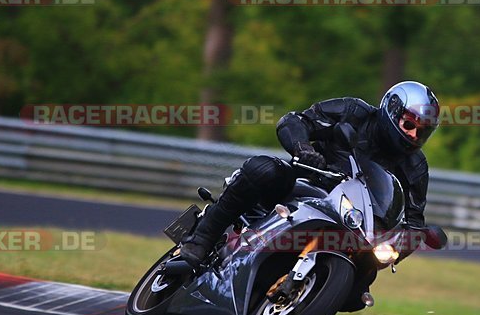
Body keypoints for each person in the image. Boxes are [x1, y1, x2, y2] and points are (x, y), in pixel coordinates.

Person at [180, 80, 441, 267]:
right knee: (264, 169)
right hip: (307, 186)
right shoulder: (354, 112)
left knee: (361, 285)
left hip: (355, 225)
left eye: (423, 130)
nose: (413, 135)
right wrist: (303, 147)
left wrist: (402, 244)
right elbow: (297, 121)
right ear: (392, 112)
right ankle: (203, 235)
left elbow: (414, 222)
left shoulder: (416, 167)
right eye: (409, 124)